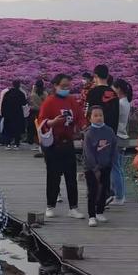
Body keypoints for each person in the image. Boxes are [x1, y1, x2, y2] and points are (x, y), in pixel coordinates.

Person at [38, 74, 86, 219]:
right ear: (56, 86)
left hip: (68, 143)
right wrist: (51, 122)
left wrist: (85, 127)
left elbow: (80, 117)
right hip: (54, 145)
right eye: (63, 86)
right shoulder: (49, 102)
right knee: (53, 176)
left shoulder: (71, 101)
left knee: (71, 177)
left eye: (68, 86)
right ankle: (50, 205)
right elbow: (41, 121)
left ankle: (73, 207)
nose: (66, 89)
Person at [83, 106, 118, 227]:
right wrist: (95, 168)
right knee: (93, 191)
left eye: (101, 115)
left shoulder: (109, 131)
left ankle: (100, 211)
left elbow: (114, 147)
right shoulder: (89, 133)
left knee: (104, 189)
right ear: (90, 118)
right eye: (95, 115)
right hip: (91, 168)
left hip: (106, 166)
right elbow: (88, 153)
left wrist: (112, 162)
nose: (99, 118)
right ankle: (92, 215)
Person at [110, 79, 133, 205]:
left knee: (115, 168)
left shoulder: (120, 103)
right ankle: (120, 195)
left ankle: (119, 196)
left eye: (113, 88)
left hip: (118, 136)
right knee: (119, 168)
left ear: (118, 89)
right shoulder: (126, 102)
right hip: (123, 136)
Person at [86, 64, 119, 134]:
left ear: (95, 76)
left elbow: (87, 113)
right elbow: (116, 115)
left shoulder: (92, 93)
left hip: (94, 133)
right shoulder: (114, 93)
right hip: (110, 133)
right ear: (107, 76)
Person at [1, 80, 28, 150]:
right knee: (17, 130)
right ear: (19, 85)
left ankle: (8, 144)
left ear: (12, 85)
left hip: (8, 114)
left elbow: (3, 104)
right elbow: (24, 103)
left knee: (8, 129)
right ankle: (16, 144)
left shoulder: (7, 93)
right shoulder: (21, 94)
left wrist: (3, 114)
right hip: (18, 114)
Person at [27, 79, 48, 150]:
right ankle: (41, 143)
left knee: (34, 129)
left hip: (34, 112)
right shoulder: (45, 93)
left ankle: (36, 143)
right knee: (41, 128)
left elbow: (30, 100)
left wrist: (33, 89)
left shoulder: (33, 94)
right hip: (42, 112)